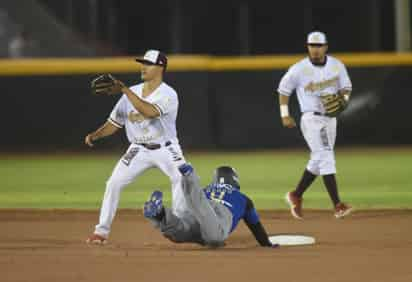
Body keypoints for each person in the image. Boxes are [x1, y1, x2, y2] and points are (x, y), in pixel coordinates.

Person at [86, 50, 187, 244]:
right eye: (142, 63)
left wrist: (124, 89)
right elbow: (114, 123)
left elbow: (148, 111)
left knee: (181, 177)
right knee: (113, 183)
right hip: (138, 149)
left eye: (148, 64)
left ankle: (179, 226)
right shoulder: (130, 92)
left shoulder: (168, 94)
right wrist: (96, 135)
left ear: (160, 68)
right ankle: (101, 232)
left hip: (166, 148)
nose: (143, 67)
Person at [277, 31, 353, 219]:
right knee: (326, 156)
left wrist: (343, 100)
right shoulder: (299, 69)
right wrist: (285, 115)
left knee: (318, 161)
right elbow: (283, 90)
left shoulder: (337, 65)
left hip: (330, 119)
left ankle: (296, 195)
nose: (315, 49)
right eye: (312, 45)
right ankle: (338, 205)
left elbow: (346, 88)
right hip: (311, 118)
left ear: (325, 47)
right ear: (308, 47)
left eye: (319, 46)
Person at [143, 164, 278, 248]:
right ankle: (190, 178)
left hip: (197, 209)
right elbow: (256, 227)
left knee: (178, 232)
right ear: (235, 180)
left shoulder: (208, 188)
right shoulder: (243, 199)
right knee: (215, 237)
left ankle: (160, 214)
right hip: (215, 214)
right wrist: (266, 244)